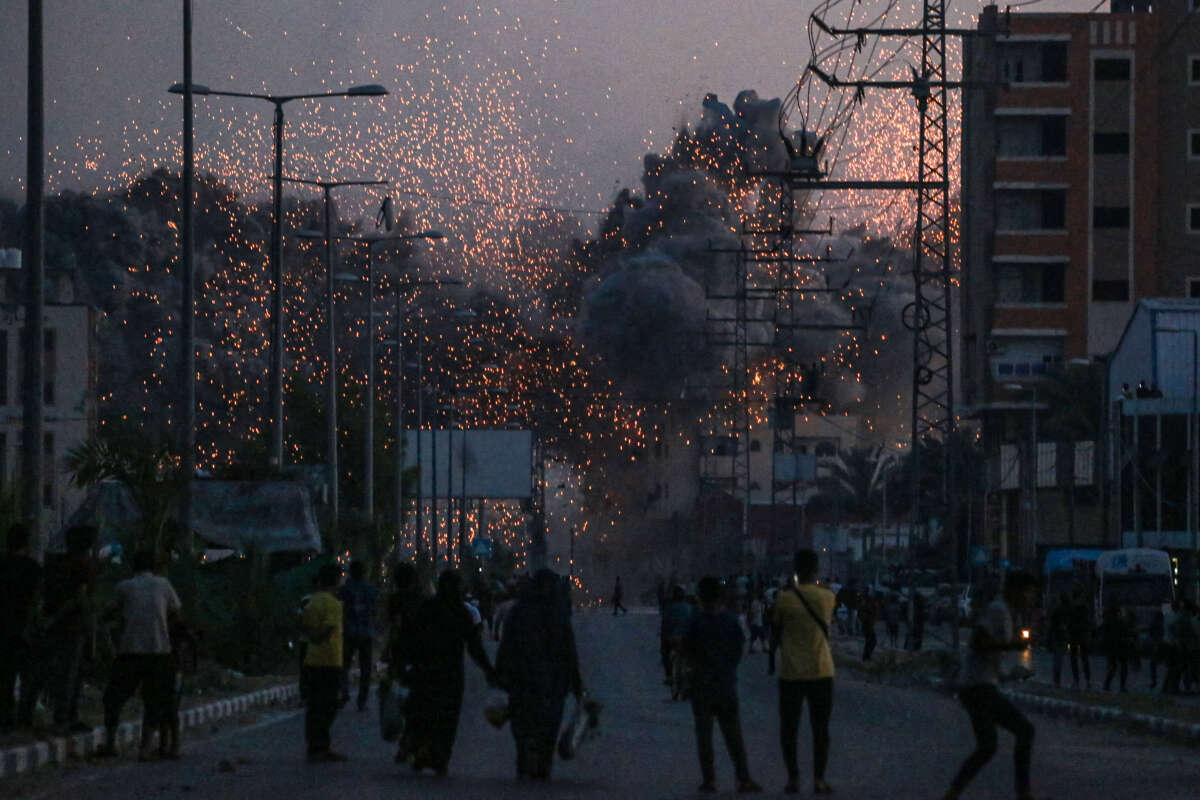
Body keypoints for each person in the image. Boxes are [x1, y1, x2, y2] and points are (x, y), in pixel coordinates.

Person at [941, 571, 1040, 800]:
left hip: (979, 685)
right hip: (978, 687)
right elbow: (978, 641)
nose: (1030, 598)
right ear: (1017, 591)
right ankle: (1023, 794)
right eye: (1029, 593)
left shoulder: (1006, 613)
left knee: (987, 747)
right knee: (1023, 731)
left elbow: (990, 656)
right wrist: (1012, 644)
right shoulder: (998, 610)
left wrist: (1011, 673)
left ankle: (952, 793)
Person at [403, 570, 495, 775]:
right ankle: (439, 757)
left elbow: (411, 637)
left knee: (425, 712)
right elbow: (474, 646)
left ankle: (422, 752)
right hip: (450, 674)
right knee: (447, 718)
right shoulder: (461, 612)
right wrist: (489, 669)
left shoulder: (427, 608)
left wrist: (405, 664)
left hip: (425, 671)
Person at [495, 568, 583, 780]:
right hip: (551, 684)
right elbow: (568, 650)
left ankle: (525, 757)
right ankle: (542, 761)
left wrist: (500, 673)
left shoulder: (519, 611)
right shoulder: (558, 614)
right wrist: (576, 683)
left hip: (523, 680)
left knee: (522, 722)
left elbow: (507, 645)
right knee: (549, 724)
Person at [96, 550, 181, 760]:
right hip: (159, 650)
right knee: (156, 700)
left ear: (132, 567)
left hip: (130, 650)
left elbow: (109, 611)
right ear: (154, 567)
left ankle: (109, 742)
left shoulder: (124, 587)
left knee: (113, 698)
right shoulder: (164, 585)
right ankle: (147, 747)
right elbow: (176, 611)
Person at [683, 576, 763, 794]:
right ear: (721, 596)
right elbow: (738, 649)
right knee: (733, 735)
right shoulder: (729, 621)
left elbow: (687, 651)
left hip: (702, 685)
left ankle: (709, 780)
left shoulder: (695, 621)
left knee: (704, 735)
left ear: (700, 596)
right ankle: (743, 778)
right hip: (725, 684)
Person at [774, 549, 835, 795]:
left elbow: (776, 631)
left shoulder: (784, 599)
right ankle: (819, 779)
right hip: (821, 670)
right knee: (820, 728)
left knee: (789, 728)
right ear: (816, 569)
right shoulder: (828, 597)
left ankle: (793, 779)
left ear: (795, 570)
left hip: (791, 673)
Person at [34, 525, 99, 734]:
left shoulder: (56, 564)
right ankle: (64, 718)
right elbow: (80, 598)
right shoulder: (83, 565)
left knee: (68, 673)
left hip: (58, 625)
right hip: (73, 625)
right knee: (71, 674)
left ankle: (68, 716)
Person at [302, 563, 347, 762]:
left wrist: (312, 638)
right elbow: (329, 629)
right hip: (330, 660)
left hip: (312, 660)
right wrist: (319, 638)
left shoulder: (311, 602)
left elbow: (304, 626)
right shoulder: (334, 604)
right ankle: (322, 745)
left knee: (314, 706)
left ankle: (314, 745)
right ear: (336, 581)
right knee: (329, 705)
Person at [1, 523, 43, 731]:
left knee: (5, 675)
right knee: (29, 675)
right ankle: (25, 716)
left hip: (4, 627)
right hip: (25, 626)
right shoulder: (33, 568)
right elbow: (37, 599)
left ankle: (5, 715)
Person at [337, 559, 378, 712]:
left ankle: (344, 692)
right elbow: (375, 609)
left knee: (344, 665)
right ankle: (362, 701)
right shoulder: (370, 589)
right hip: (366, 632)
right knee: (365, 669)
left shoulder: (345, 589)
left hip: (349, 632)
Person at [661, 585, 695, 682]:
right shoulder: (689, 607)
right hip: (686, 638)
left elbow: (665, 623)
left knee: (665, 652)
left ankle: (669, 675)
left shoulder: (669, 608)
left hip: (673, 638)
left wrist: (664, 635)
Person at [1065, 588, 1092, 689]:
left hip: (1075, 636)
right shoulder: (1083, 608)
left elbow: (1069, 623)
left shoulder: (1072, 608)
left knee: (1075, 660)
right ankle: (1087, 681)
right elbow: (1086, 623)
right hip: (1081, 636)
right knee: (1084, 659)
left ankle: (1077, 681)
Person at [1101, 604, 1131, 692]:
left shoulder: (1107, 622)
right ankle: (1122, 686)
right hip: (1120, 647)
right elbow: (1125, 633)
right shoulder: (1120, 622)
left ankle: (1107, 684)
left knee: (1113, 667)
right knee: (1123, 667)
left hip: (1111, 647)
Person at [1047, 591, 1072, 688]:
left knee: (1057, 660)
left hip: (1058, 637)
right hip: (1062, 637)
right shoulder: (1066, 611)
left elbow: (1052, 625)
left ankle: (1056, 680)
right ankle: (1057, 680)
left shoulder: (1057, 610)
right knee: (1059, 659)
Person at [859, 592, 879, 662]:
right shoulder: (869, 605)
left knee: (870, 641)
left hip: (868, 625)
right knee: (871, 641)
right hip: (868, 625)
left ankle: (866, 656)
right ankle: (866, 656)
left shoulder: (867, 605)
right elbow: (865, 616)